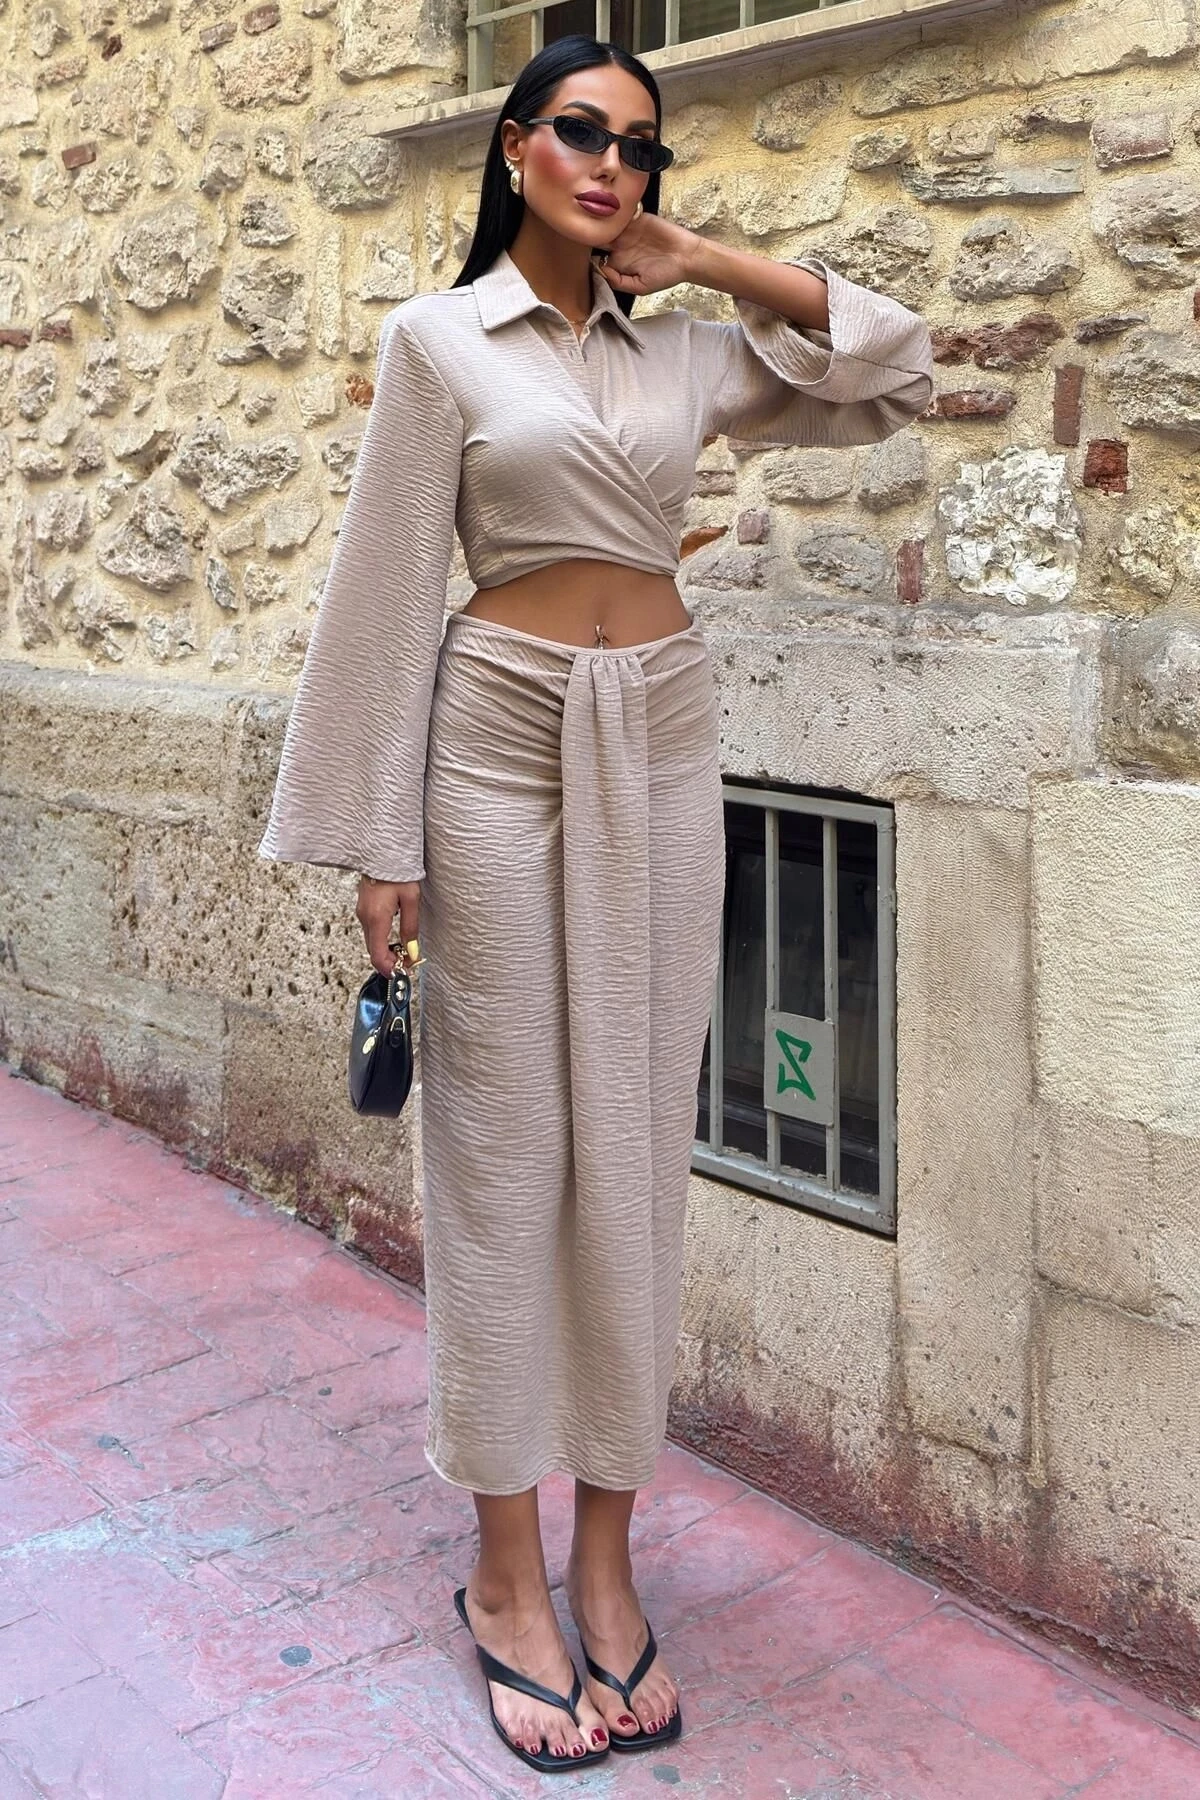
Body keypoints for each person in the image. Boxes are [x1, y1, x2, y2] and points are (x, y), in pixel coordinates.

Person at [259, 31, 933, 1775]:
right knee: (502, 1153)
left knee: (635, 1145)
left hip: (664, 743)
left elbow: (896, 363)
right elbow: (385, 591)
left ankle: (609, 1563)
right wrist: (380, 843)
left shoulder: (690, 350)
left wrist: (703, 259)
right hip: (491, 749)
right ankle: (504, 1571)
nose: (612, 165)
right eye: (580, 131)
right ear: (514, 145)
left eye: (641, 145)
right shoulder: (439, 341)